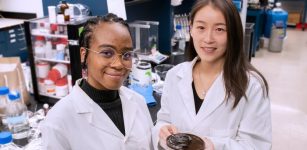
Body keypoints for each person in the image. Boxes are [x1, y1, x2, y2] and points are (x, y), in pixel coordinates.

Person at [152, 0, 272, 149]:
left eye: (220, 29)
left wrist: (214, 146)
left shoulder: (252, 86)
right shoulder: (174, 75)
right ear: (191, 29)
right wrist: (162, 132)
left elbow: (257, 146)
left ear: (233, 34)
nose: (208, 39)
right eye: (201, 27)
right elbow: (163, 120)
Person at [41, 14, 153, 150]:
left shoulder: (139, 102)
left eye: (126, 55)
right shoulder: (58, 121)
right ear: (84, 55)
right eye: (107, 53)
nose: (118, 64)